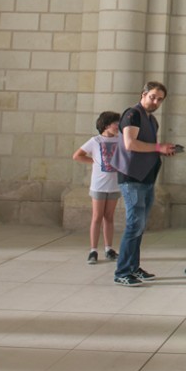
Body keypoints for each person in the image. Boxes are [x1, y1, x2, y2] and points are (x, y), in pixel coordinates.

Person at [111, 81, 178, 287]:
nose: (156, 102)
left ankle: (133, 267)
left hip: (147, 177)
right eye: (153, 97)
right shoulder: (133, 114)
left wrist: (162, 150)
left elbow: (149, 147)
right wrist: (158, 146)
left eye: (160, 99)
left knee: (140, 225)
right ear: (144, 94)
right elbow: (130, 143)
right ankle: (122, 271)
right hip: (131, 178)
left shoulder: (152, 120)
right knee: (134, 224)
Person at [74, 111, 122, 264]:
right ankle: (93, 250)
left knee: (109, 217)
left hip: (114, 184)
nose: (118, 126)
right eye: (115, 123)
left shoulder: (120, 140)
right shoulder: (95, 141)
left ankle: (109, 248)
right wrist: (94, 162)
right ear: (106, 125)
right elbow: (77, 155)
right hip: (99, 184)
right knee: (97, 217)